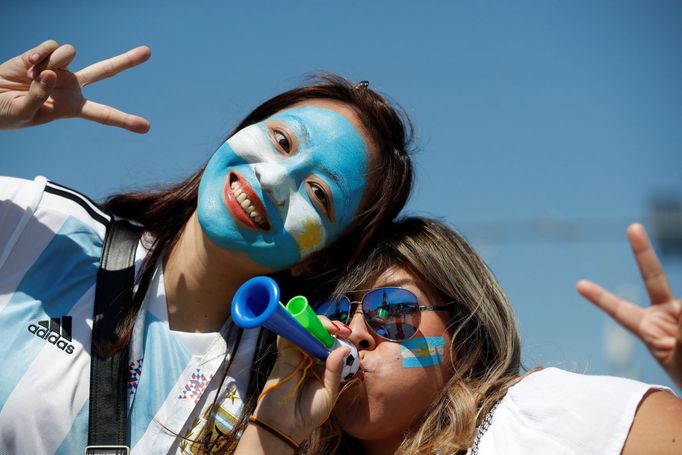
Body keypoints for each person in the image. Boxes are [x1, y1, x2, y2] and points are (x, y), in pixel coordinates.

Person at [0, 40, 415, 454]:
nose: (272, 180)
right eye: (282, 141)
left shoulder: (278, 389)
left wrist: (272, 431)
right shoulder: (41, 225)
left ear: (319, 258)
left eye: (317, 193)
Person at [237, 218, 682, 454]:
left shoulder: (547, 417)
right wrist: (274, 430)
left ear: (465, 341)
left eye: (392, 311)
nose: (353, 333)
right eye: (335, 312)